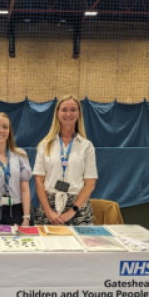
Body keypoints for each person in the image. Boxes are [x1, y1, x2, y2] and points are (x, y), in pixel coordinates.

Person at [33, 95, 97, 226]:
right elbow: (39, 181)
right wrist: (48, 211)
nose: (68, 114)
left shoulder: (86, 146)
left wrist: (71, 212)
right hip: (49, 208)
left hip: (77, 209)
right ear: (57, 113)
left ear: (79, 113)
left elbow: (90, 183)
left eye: (73, 110)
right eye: (64, 110)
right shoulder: (45, 145)